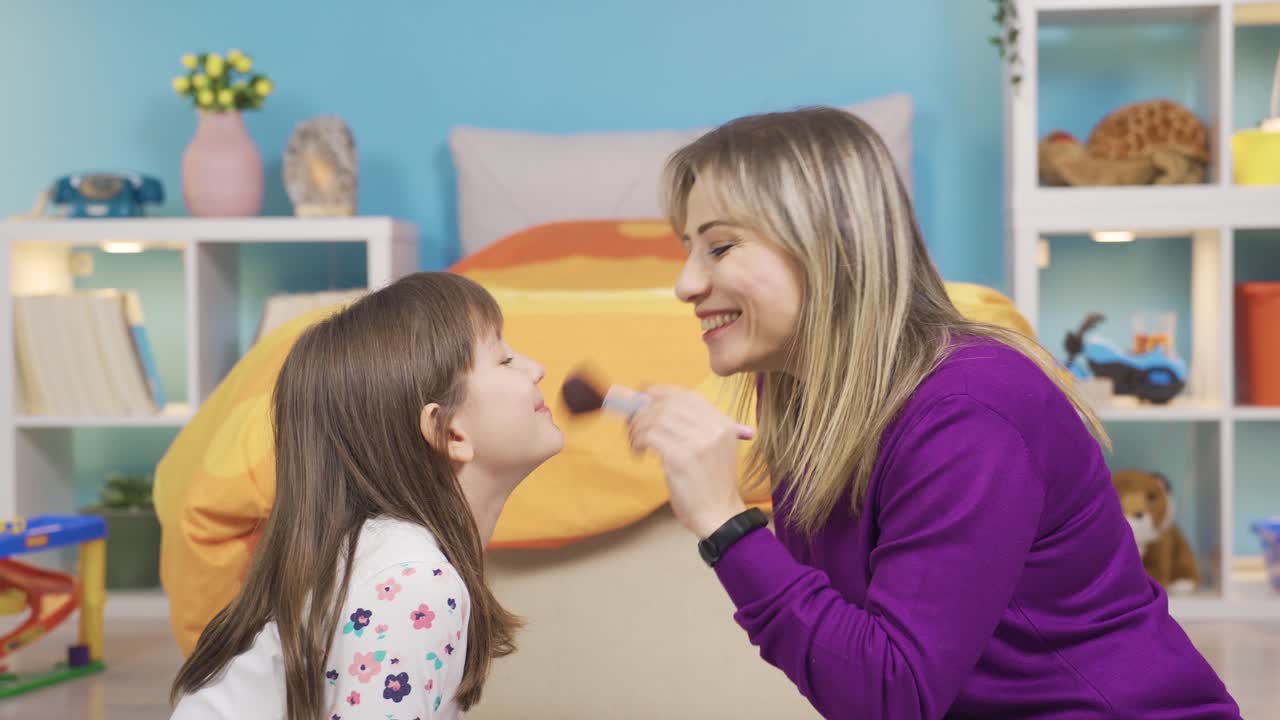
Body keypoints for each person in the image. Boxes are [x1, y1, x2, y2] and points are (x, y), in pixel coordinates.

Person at [625, 107, 1241, 719]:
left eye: (719, 247)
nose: (684, 285)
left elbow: (890, 696)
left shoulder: (967, 410)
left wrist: (726, 523)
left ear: (831, 247)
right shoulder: (809, 397)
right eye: (688, 251)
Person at [168, 272, 563, 720]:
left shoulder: (390, 558)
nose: (537, 368)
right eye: (506, 360)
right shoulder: (413, 581)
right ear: (448, 431)